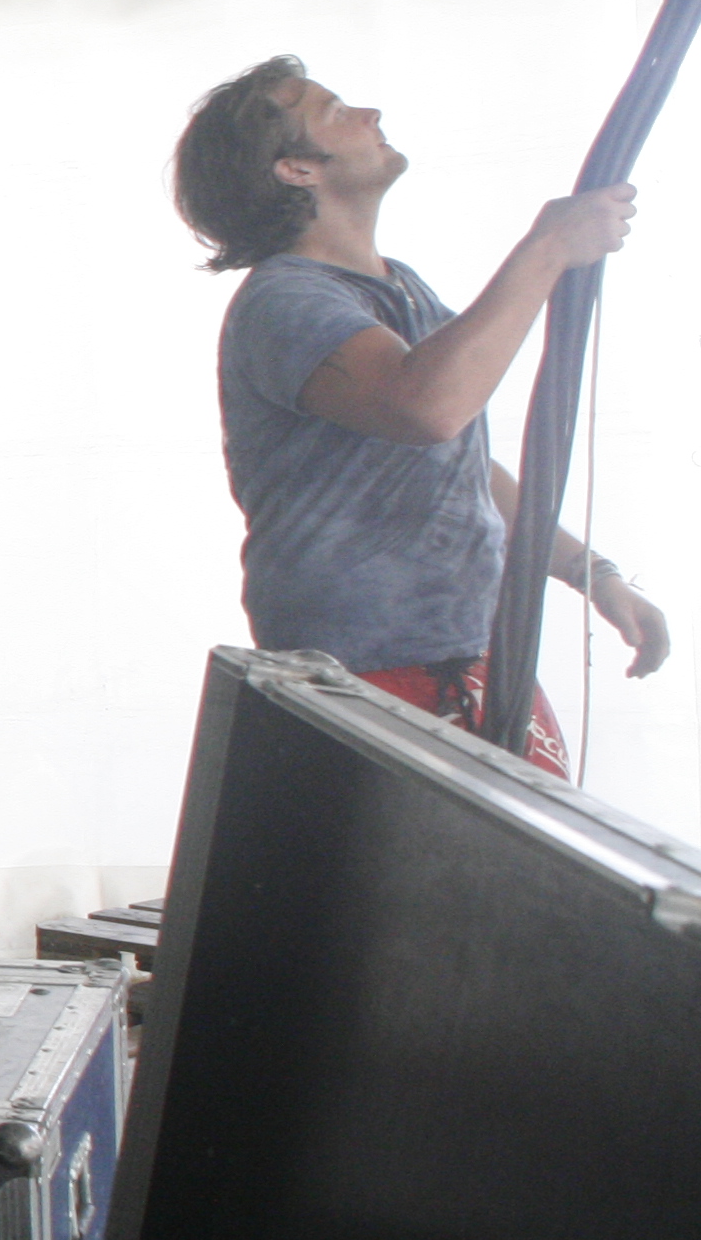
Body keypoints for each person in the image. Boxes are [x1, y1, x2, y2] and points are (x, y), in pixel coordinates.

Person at [170, 58, 669, 773]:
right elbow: (429, 408)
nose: (369, 114)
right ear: (296, 169)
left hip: (468, 664)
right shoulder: (284, 302)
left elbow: (461, 464)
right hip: (365, 677)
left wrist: (593, 572)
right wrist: (549, 248)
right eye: (335, 111)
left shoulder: (399, 288)